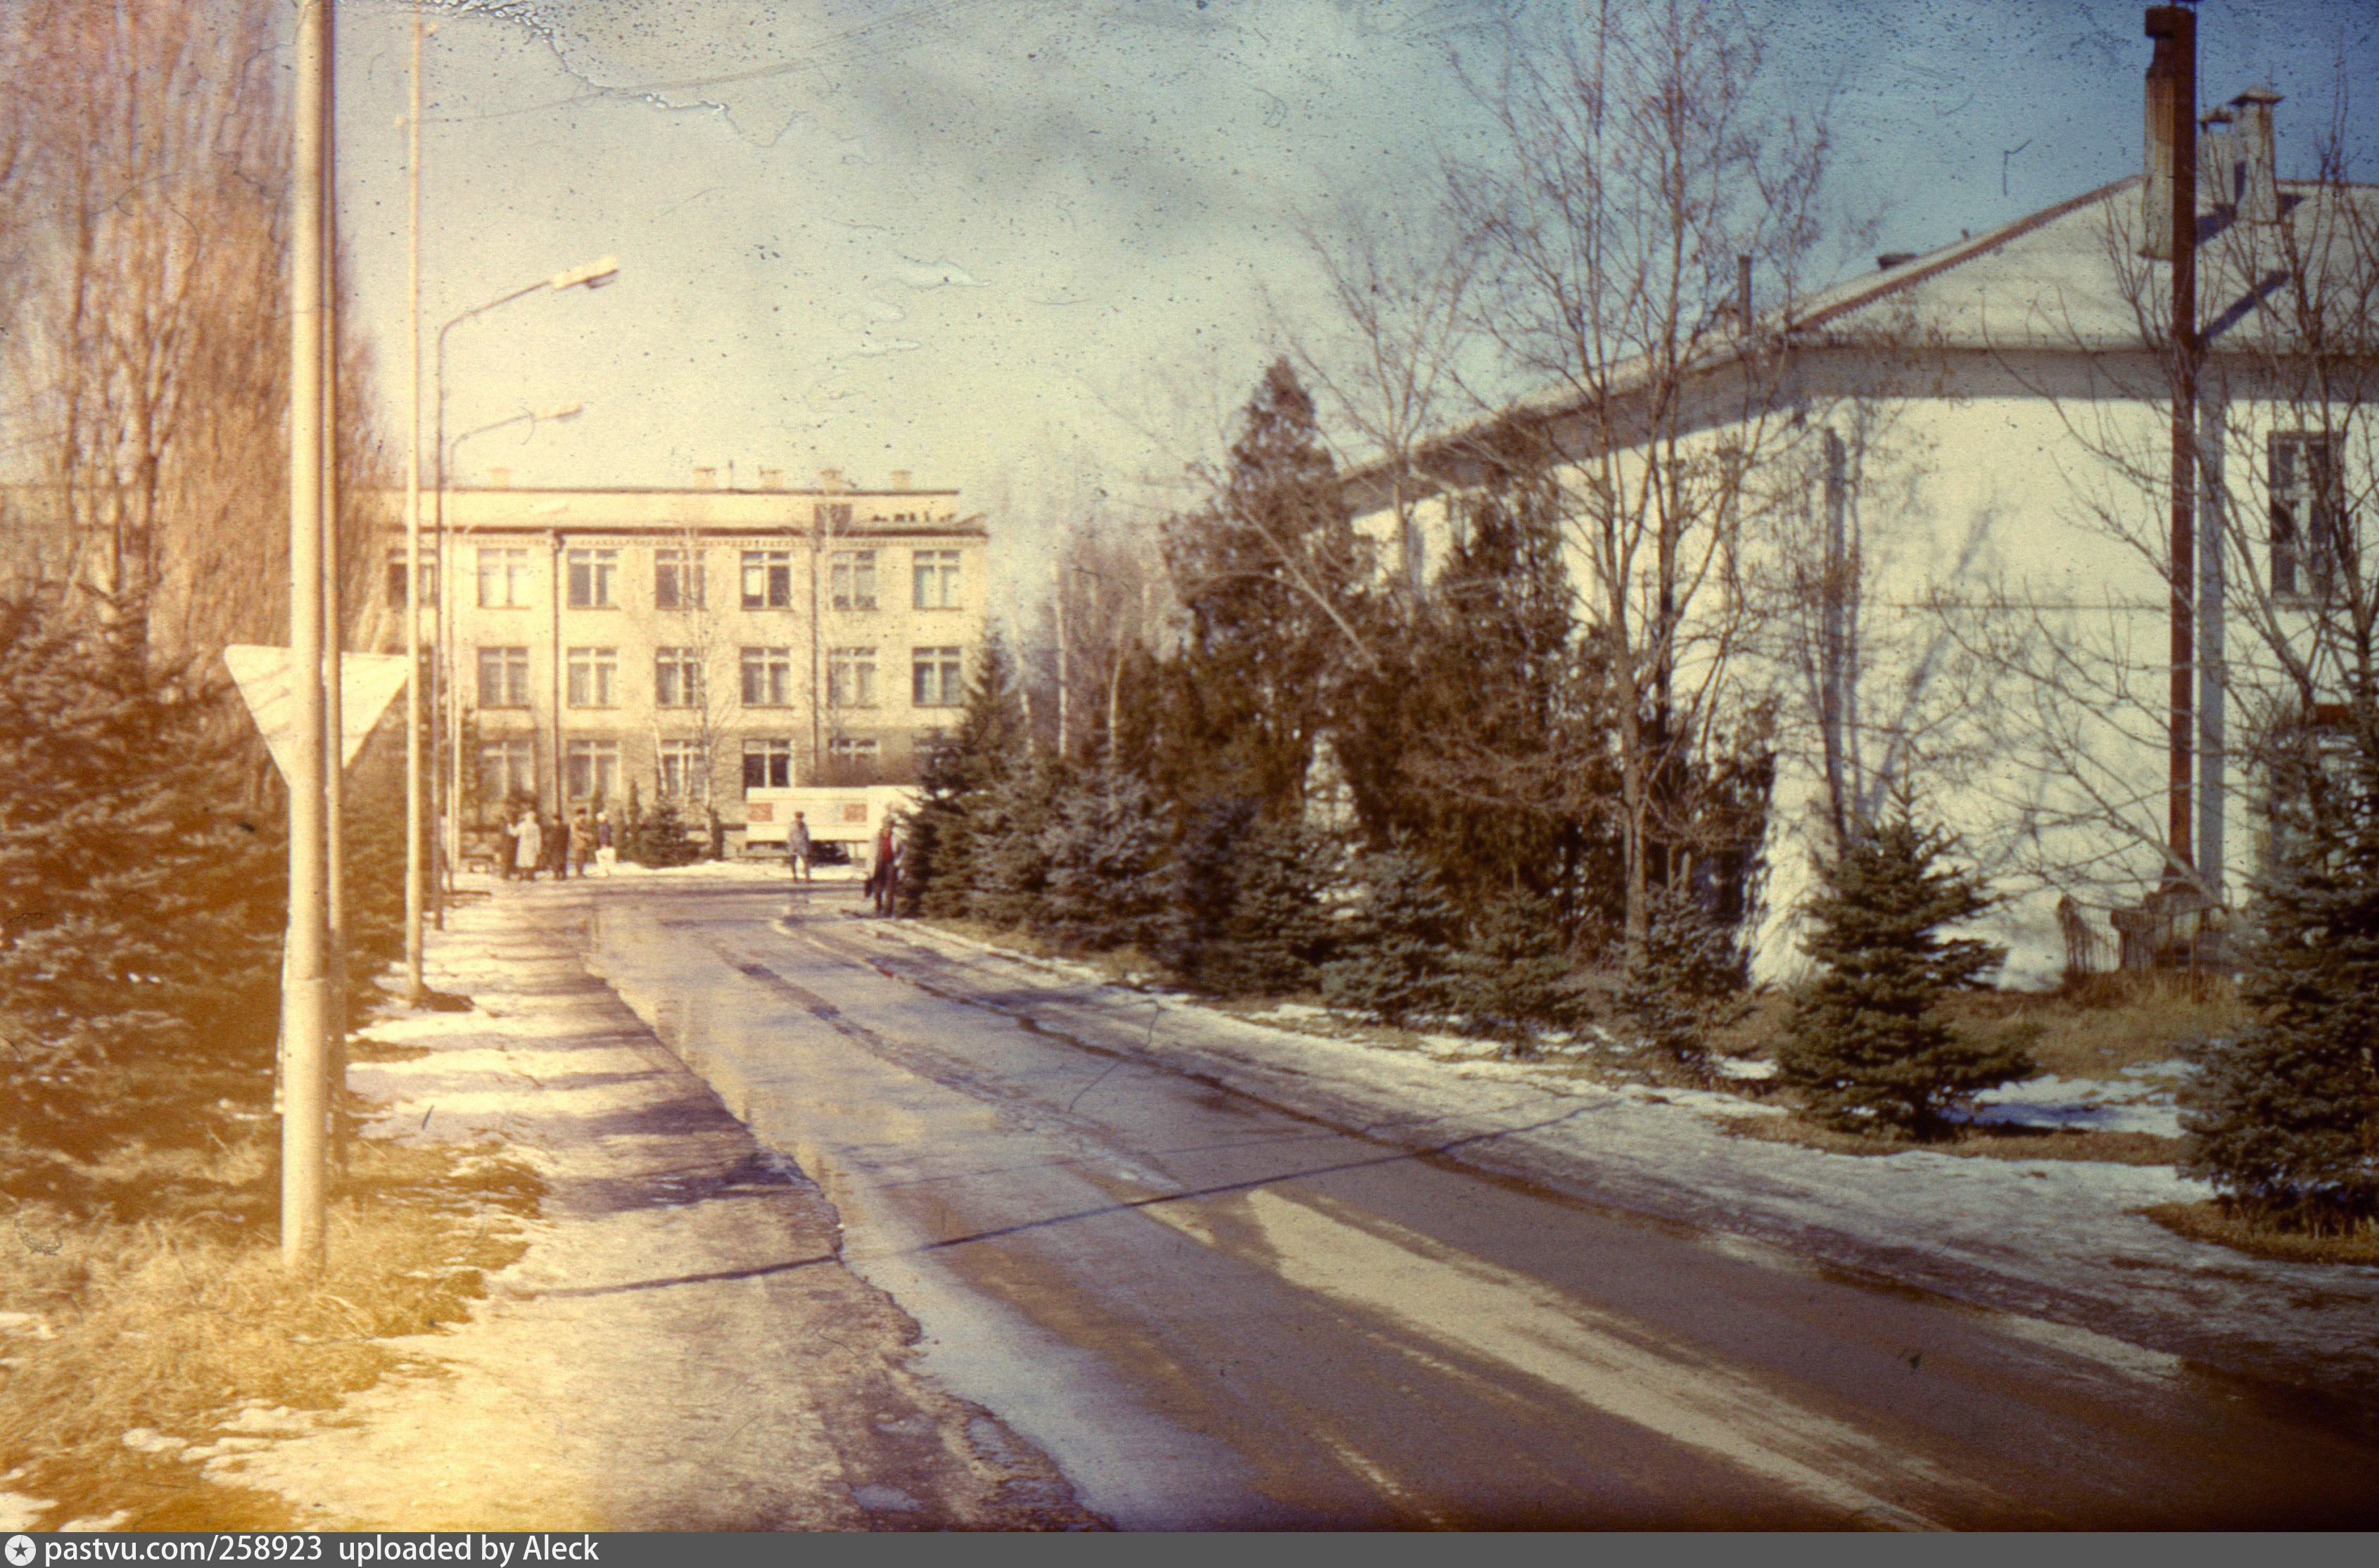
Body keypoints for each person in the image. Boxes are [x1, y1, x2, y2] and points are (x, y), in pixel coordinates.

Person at [871, 817, 900, 917]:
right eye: (886, 826)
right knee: (878, 888)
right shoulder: (876, 837)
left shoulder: (896, 837)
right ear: (883, 826)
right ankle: (878, 908)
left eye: (890, 826)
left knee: (890, 888)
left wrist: (898, 862)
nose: (888, 829)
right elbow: (870, 854)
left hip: (891, 864)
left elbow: (901, 851)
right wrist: (868, 868)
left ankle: (888, 912)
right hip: (878, 864)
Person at [512, 808, 543, 883]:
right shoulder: (536, 826)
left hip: (523, 845)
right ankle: (530, 876)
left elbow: (514, 833)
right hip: (531, 846)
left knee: (522, 860)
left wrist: (510, 827)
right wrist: (538, 849)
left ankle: (520, 876)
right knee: (531, 861)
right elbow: (538, 839)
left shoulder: (521, 825)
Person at [787, 810, 813, 884]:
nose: (799, 819)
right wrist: (792, 845)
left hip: (803, 846)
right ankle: (794, 877)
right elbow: (789, 837)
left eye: (801, 817)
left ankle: (807, 877)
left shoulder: (804, 825)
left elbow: (807, 836)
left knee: (806, 862)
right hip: (794, 846)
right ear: (796, 817)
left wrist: (808, 845)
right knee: (793, 863)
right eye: (798, 817)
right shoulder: (792, 825)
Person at [570, 809, 592, 879]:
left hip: (583, 842)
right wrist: (586, 836)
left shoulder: (583, 822)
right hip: (578, 842)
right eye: (583, 815)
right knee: (580, 857)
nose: (585, 816)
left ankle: (581, 872)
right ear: (579, 815)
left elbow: (586, 830)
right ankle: (579, 873)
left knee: (582, 857)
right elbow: (575, 832)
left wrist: (589, 835)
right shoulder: (575, 822)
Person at [595, 812, 616, 877]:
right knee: (604, 857)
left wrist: (604, 843)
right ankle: (606, 871)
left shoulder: (603, 826)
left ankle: (604, 872)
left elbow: (604, 835)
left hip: (603, 844)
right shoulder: (605, 826)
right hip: (604, 844)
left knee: (603, 857)